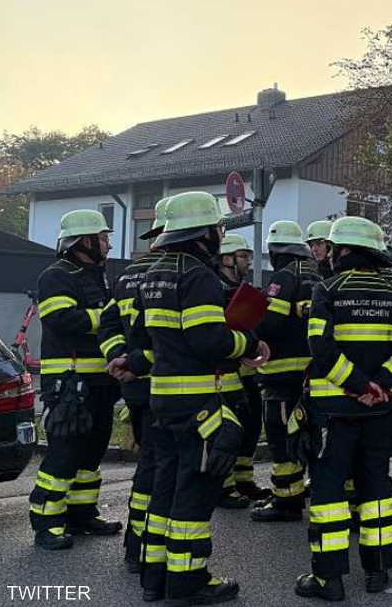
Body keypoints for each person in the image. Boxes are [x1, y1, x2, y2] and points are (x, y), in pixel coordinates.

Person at [138, 191, 269, 604]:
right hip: (198, 403)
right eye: (217, 228)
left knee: (164, 491)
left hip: (164, 398)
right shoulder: (198, 276)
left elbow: (151, 338)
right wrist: (248, 344)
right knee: (195, 492)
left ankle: (154, 576)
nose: (220, 235)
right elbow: (207, 339)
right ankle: (187, 581)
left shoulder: (155, 272)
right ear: (203, 233)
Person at [294, 216, 392, 600]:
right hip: (378, 411)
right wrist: (380, 384)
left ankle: (328, 580)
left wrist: (356, 385)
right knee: (377, 490)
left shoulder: (327, 290)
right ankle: (378, 572)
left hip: (332, 412)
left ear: (344, 250)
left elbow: (320, 348)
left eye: (333, 249)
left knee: (329, 493)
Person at [28, 209, 122, 551]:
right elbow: (62, 319)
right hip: (68, 382)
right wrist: (108, 317)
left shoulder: (98, 275)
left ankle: (81, 515)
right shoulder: (56, 275)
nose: (108, 244)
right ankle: (46, 522)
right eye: (103, 238)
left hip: (99, 381)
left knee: (92, 453)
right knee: (64, 454)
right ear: (84, 241)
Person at [97, 197, 169, 568]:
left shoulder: (127, 275)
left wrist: (119, 357)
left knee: (148, 466)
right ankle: (151, 548)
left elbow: (108, 325)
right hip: (169, 386)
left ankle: (136, 545)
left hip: (136, 386)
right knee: (163, 469)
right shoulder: (175, 273)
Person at [252, 221, 322, 522]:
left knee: (282, 437)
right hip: (311, 373)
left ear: (275, 251)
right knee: (308, 434)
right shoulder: (317, 275)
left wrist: (248, 329)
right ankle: (313, 490)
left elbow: (270, 322)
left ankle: (286, 500)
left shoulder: (284, 276)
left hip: (282, 375)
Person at [215, 233, 270, 506]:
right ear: (227, 259)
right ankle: (223, 487)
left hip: (246, 373)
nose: (248, 261)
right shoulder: (213, 288)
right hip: (223, 374)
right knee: (228, 430)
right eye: (243, 256)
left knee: (250, 427)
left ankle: (243, 479)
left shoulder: (241, 288)